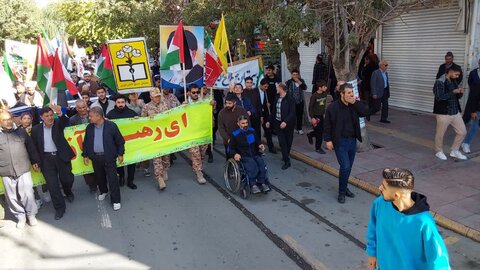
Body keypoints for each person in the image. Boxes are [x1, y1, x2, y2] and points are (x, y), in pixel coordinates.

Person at [366, 168, 451, 270]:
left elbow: (438, 260)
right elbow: (372, 228)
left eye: (384, 187)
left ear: (396, 196)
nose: (380, 188)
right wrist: (372, 253)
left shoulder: (424, 222)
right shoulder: (380, 203)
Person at [324, 83, 370, 203]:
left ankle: (344, 188)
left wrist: (355, 102)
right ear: (342, 94)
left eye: (352, 92)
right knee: (345, 166)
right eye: (348, 93)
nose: (351, 95)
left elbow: (366, 112)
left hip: (352, 140)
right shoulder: (333, 107)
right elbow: (327, 124)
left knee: (348, 167)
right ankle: (341, 192)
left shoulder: (354, 105)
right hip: (340, 141)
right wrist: (328, 140)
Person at [31, 105, 75, 220]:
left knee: (67, 179)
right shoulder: (36, 130)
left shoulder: (58, 124)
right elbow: (34, 147)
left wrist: (60, 113)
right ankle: (59, 208)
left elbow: (65, 121)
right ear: (42, 117)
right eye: (47, 116)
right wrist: (35, 161)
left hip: (61, 157)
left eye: (51, 115)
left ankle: (68, 191)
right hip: (46, 160)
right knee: (52, 185)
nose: (50, 118)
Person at [0, 110, 40, 228]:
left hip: (23, 168)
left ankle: (31, 215)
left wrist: (35, 161)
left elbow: (31, 147)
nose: (8, 122)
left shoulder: (20, 131)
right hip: (5, 170)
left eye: (9, 119)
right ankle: (20, 216)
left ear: (12, 119)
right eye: (4, 120)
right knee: (11, 197)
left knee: (27, 194)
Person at [82, 106, 125, 211]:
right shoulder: (89, 127)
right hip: (95, 157)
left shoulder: (111, 126)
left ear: (98, 116)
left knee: (112, 179)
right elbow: (86, 142)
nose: (89, 118)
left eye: (91, 116)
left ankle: (116, 200)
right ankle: (103, 191)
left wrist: (120, 154)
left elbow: (120, 141)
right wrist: (85, 155)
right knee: (99, 176)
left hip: (109, 157)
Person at [433, 65, 467, 160]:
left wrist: (460, 92)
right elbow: (440, 97)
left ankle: (454, 150)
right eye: (456, 74)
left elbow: (457, 97)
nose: (457, 77)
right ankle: (438, 151)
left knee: (462, 132)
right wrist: (453, 92)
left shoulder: (454, 81)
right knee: (440, 134)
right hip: (444, 113)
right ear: (450, 72)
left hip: (455, 111)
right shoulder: (440, 81)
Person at [229, 115, 270, 194]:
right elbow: (230, 148)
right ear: (238, 124)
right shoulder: (235, 135)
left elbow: (258, 141)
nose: (245, 125)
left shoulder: (252, 131)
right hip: (244, 156)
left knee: (261, 165)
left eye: (246, 123)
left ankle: (262, 182)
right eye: (243, 123)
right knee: (252, 165)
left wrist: (260, 145)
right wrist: (235, 154)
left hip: (254, 154)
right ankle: (253, 184)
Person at [107, 95, 139, 189]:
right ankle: (121, 177)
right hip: (116, 143)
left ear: (125, 103)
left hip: (130, 142)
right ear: (115, 103)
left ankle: (130, 181)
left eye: (122, 102)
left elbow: (139, 125)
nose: (120, 104)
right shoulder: (110, 114)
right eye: (118, 102)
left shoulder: (132, 113)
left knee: (131, 163)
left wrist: (138, 119)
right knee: (119, 161)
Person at [141, 88, 170, 190]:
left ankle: (165, 169)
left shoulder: (165, 104)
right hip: (154, 136)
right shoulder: (146, 107)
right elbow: (142, 122)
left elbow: (172, 115)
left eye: (158, 96)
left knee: (166, 156)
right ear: (150, 97)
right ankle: (159, 178)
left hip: (165, 134)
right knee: (156, 158)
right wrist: (149, 118)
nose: (157, 98)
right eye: (155, 96)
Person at [266, 83, 296, 170]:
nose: (276, 89)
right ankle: (287, 161)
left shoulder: (290, 99)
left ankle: (285, 154)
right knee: (282, 143)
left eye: (277, 88)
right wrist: (269, 121)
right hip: (278, 123)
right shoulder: (277, 98)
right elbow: (273, 111)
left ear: (281, 88)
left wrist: (286, 122)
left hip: (288, 125)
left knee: (288, 142)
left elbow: (292, 113)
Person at [69, 99, 97, 193]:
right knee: (85, 164)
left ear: (87, 106)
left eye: (84, 107)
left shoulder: (95, 114)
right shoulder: (72, 120)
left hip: (96, 142)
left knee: (98, 163)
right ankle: (91, 185)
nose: (82, 109)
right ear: (76, 108)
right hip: (81, 145)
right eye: (79, 108)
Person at [185, 86, 210, 184]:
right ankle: (199, 173)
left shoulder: (204, 102)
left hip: (203, 132)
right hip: (192, 134)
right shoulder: (185, 104)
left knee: (202, 154)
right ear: (189, 93)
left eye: (197, 92)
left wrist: (212, 103)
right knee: (195, 154)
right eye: (193, 92)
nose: (196, 94)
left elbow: (213, 106)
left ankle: (197, 166)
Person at [461, 58, 480, 154]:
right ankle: (466, 143)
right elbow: (473, 91)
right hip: (475, 105)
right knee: (474, 126)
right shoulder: (473, 73)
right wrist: (473, 110)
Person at [307, 81, 329, 154]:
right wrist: (312, 117)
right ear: (320, 88)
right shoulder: (314, 96)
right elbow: (310, 107)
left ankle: (310, 134)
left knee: (320, 131)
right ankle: (318, 148)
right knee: (319, 133)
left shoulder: (325, 93)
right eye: (324, 86)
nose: (326, 88)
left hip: (321, 116)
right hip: (316, 116)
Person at [286, 69, 307, 134]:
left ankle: (299, 128)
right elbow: (286, 91)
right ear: (291, 75)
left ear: (298, 75)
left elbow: (305, 88)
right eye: (293, 74)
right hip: (291, 102)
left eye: (296, 74)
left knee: (299, 115)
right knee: (292, 115)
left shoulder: (301, 80)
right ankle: (292, 128)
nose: (295, 76)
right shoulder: (288, 82)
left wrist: (298, 81)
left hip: (300, 101)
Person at [258, 79, 276, 153]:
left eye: (267, 87)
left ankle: (271, 147)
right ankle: (258, 147)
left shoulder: (266, 92)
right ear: (261, 85)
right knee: (257, 132)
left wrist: (268, 104)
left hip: (265, 114)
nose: (266, 88)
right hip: (257, 115)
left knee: (268, 131)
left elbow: (270, 101)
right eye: (265, 86)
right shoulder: (255, 92)